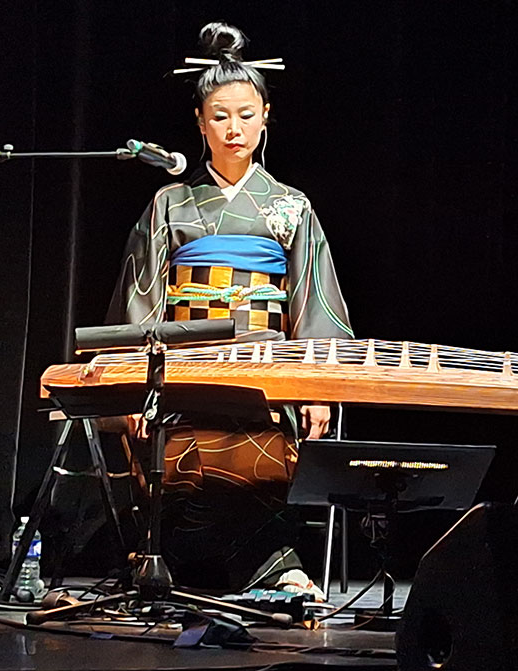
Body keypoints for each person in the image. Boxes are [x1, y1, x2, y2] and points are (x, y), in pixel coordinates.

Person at [105, 22, 354, 593]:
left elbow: (312, 301)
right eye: (220, 116)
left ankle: (264, 566)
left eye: (246, 114)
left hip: (266, 374)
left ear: (266, 115)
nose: (234, 128)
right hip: (186, 372)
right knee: (187, 459)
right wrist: (139, 385)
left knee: (261, 454)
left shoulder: (291, 207)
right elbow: (143, 299)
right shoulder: (169, 202)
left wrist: (315, 386)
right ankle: (267, 569)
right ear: (199, 122)